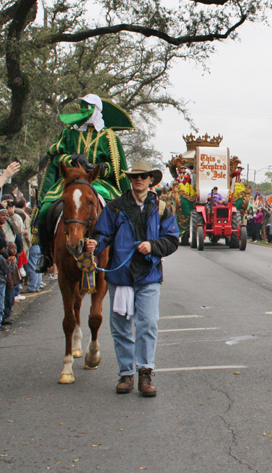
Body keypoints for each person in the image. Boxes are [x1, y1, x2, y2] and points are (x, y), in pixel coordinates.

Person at [85, 160, 180, 396]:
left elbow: (173, 240)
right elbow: (102, 235)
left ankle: (145, 372)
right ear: (130, 180)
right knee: (121, 327)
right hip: (121, 276)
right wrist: (94, 245)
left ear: (151, 180)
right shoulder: (115, 207)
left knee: (148, 323)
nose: (139, 180)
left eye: (144, 176)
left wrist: (153, 245)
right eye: (135, 176)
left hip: (148, 275)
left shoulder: (161, 208)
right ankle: (126, 374)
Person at [34, 94, 132, 273]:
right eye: (81, 107)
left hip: (99, 181)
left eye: (87, 107)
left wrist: (102, 168)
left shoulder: (109, 137)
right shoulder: (69, 132)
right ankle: (46, 255)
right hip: (70, 180)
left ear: (96, 110)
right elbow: (55, 157)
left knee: (118, 212)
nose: (83, 111)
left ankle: (120, 253)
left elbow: (117, 167)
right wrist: (71, 158)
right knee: (46, 209)